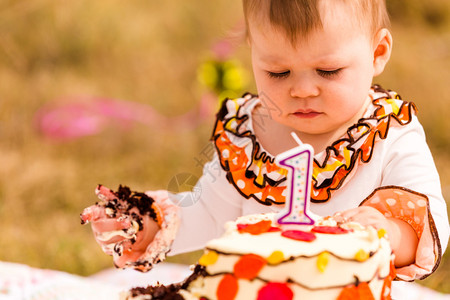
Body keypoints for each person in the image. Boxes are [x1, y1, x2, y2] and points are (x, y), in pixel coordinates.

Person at [81, 0, 449, 296]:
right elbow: (210, 214)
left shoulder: (388, 131)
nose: (303, 89)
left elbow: (428, 218)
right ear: (253, 52)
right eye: (278, 72)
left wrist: (390, 231)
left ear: (378, 52)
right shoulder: (246, 135)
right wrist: (150, 225)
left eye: (329, 71)